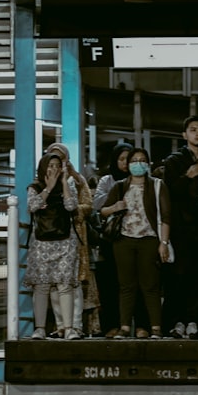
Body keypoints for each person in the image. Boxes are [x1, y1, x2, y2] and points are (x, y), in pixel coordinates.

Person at [100, 147, 171, 339]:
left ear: (147, 164)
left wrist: (163, 242)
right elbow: (103, 211)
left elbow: (166, 217)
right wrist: (116, 207)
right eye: (134, 160)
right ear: (128, 165)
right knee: (126, 286)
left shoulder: (157, 185)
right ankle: (124, 327)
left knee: (150, 285)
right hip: (123, 241)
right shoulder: (120, 186)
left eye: (142, 160)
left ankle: (155, 327)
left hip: (149, 240)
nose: (138, 164)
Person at [161, 115, 198, 339]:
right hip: (179, 228)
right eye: (193, 129)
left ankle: (196, 320)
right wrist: (190, 174)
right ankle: (176, 321)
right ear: (184, 135)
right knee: (178, 276)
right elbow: (171, 191)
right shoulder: (173, 161)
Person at [44, 142, 98, 339]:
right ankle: (60, 325)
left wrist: (74, 210)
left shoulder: (76, 180)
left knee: (73, 281)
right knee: (54, 283)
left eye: (61, 158)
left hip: (74, 234)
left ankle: (74, 326)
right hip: (50, 237)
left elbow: (88, 205)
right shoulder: (43, 180)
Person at [25, 152, 80, 340]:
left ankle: (69, 328)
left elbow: (72, 206)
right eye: (50, 165)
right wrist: (47, 189)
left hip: (65, 241)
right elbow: (32, 206)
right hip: (41, 243)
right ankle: (39, 328)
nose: (54, 169)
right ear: (43, 167)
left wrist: (64, 183)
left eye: (57, 165)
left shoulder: (68, 185)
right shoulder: (34, 187)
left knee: (65, 285)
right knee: (41, 286)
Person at [92, 142, 133, 337]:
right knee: (109, 285)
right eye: (122, 159)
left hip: (135, 236)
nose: (125, 163)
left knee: (132, 284)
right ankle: (111, 325)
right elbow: (98, 203)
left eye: (129, 159)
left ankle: (131, 325)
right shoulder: (107, 180)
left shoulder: (142, 180)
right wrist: (117, 195)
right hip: (111, 239)